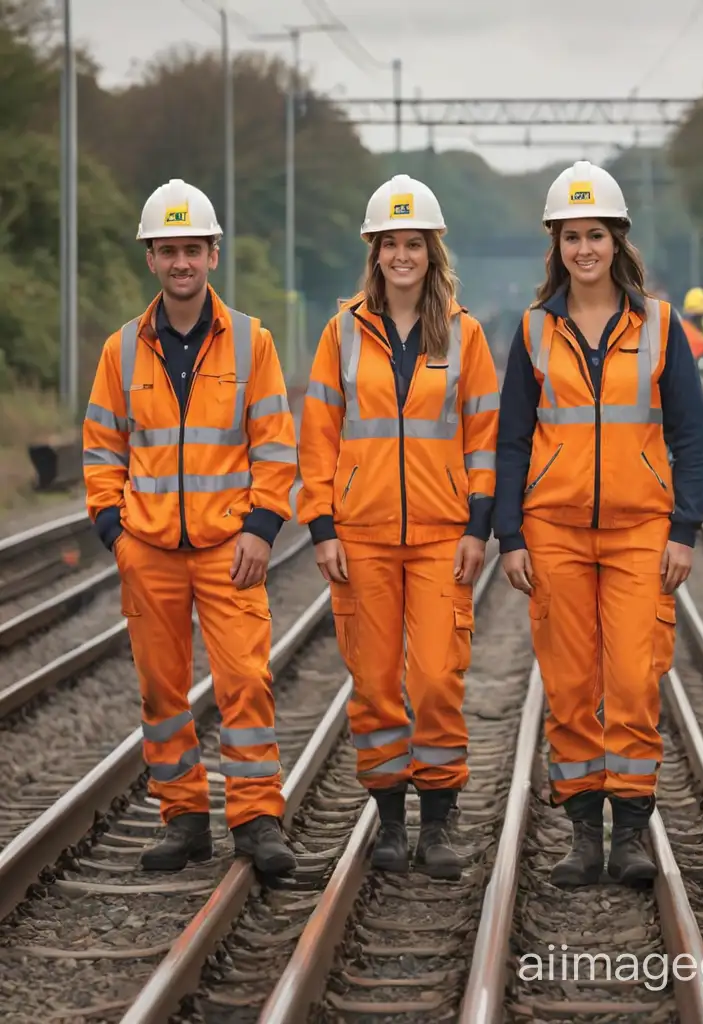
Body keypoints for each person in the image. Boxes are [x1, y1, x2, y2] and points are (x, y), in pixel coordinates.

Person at [493, 160, 703, 888]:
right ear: (556, 244)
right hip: (552, 531)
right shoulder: (532, 330)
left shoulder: (660, 326)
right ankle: (586, 832)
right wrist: (510, 535)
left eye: (597, 234)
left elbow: (688, 431)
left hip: (640, 531)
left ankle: (633, 833)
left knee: (635, 678)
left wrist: (686, 528)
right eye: (571, 236)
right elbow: (513, 437)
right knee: (570, 681)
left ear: (618, 241)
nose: (584, 248)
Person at [81, 178, 298, 875]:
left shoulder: (251, 344)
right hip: (149, 551)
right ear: (152, 258)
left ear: (212, 255)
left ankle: (258, 818)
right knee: (161, 691)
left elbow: (274, 444)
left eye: (192, 250)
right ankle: (182, 819)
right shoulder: (121, 351)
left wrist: (262, 528)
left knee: (246, 682)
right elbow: (101, 446)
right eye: (168, 250)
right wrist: (116, 532)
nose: (181, 263)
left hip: (229, 547)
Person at [297, 174, 500, 881]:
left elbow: (483, 436)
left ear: (432, 251)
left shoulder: (466, 333)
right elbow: (317, 437)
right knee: (376, 683)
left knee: (439, 678)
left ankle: (438, 822)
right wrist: (321, 526)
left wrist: (480, 526)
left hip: (445, 533)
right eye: (391, 243)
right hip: (361, 536)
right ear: (374, 251)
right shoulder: (341, 333)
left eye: (415, 244)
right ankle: (388, 821)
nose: (403, 255)